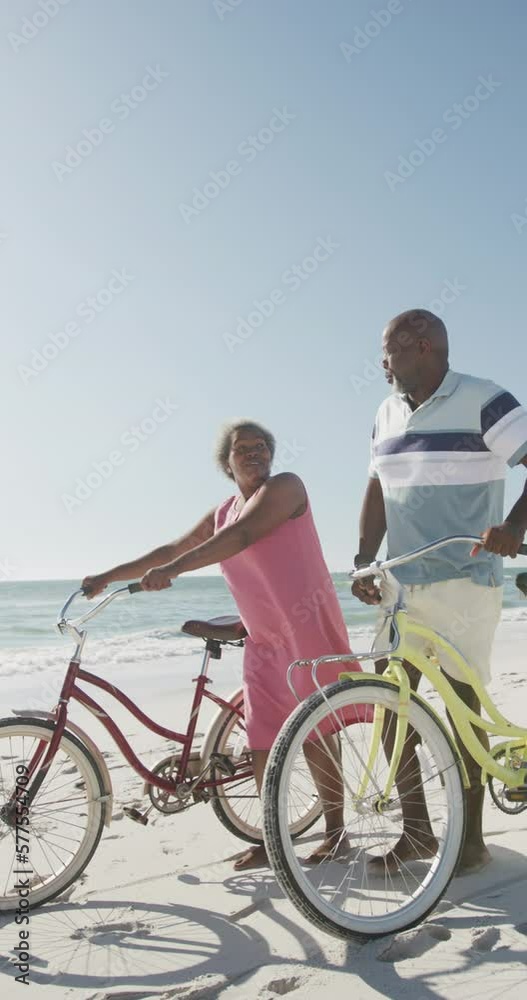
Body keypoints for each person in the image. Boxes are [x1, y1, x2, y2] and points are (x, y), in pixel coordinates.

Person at [82, 420, 363, 870]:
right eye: (242, 448)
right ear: (225, 462)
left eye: (260, 446)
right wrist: (109, 576)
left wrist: (174, 569)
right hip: (262, 633)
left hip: (306, 625)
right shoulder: (224, 509)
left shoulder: (286, 488)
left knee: (316, 730)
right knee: (262, 737)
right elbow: (175, 545)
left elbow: (240, 538)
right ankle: (275, 839)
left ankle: (336, 832)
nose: (253, 453)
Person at [352, 309, 527, 874]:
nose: (383, 363)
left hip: (464, 579)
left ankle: (471, 841)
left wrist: (515, 528)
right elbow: (377, 486)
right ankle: (420, 831)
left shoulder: (484, 399)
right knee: (388, 699)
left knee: (461, 706)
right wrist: (362, 560)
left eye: (391, 351)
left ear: (422, 346)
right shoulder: (384, 412)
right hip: (400, 583)